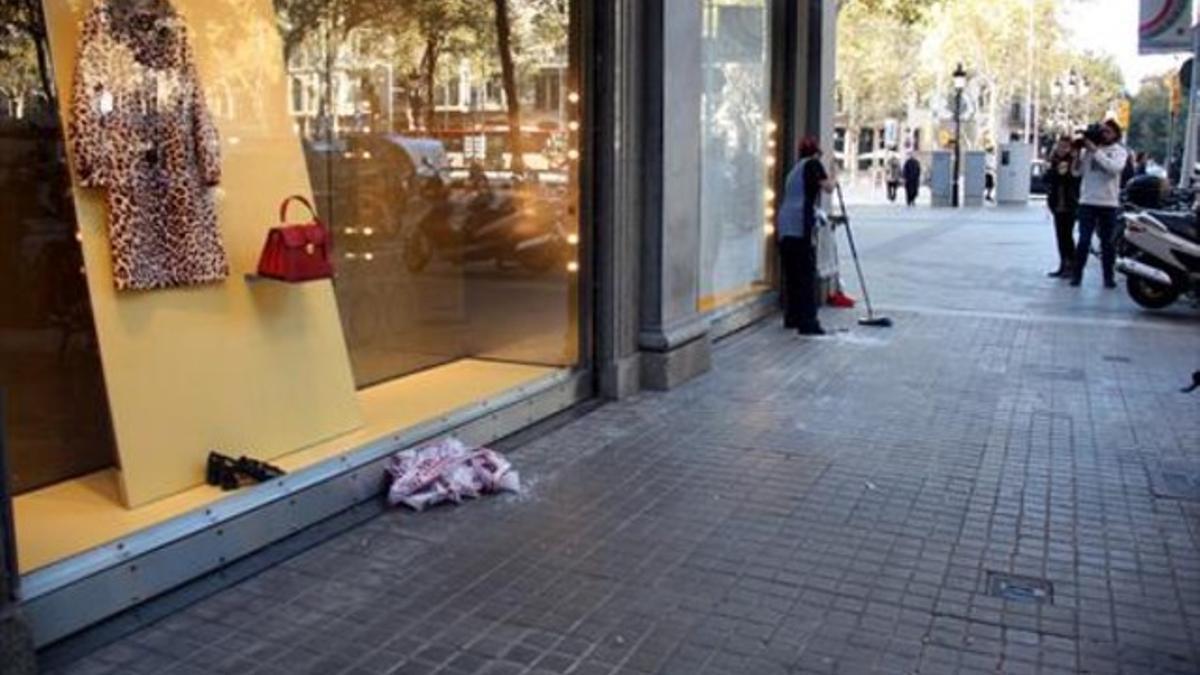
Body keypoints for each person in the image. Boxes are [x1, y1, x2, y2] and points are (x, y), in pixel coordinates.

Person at [777, 136, 835, 336]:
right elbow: (827, 187)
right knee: (806, 275)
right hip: (800, 227)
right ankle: (808, 322)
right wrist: (833, 177)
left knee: (792, 275)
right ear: (816, 152)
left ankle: (792, 316)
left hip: (785, 226)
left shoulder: (794, 171)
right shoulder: (813, 164)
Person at [1071, 120, 1129, 288]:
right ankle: (1077, 275)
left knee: (1107, 243)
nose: (1104, 135)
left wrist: (1095, 150)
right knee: (1083, 240)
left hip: (1108, 203)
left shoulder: (1119, 151)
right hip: (1087, 201)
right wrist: (1077, 155)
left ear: (1116, 134)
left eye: (1108, 132)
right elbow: (1076, 173)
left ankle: (1108, 277)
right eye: (1102, 131)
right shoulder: (1089, 151)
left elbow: (1113, 169)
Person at [1043, 136, 1080, 278]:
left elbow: (1073, 179)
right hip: (1057, 204)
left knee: (1067, 236)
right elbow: (1047, 179)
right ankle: (1063, 265)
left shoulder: (1074, 163)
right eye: (1060, 146)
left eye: (1065, 146)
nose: (1061, 149)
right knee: (1060, 236)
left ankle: (1072, 266)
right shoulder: (1053, 162)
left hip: (1070, 203)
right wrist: (1052, 169)